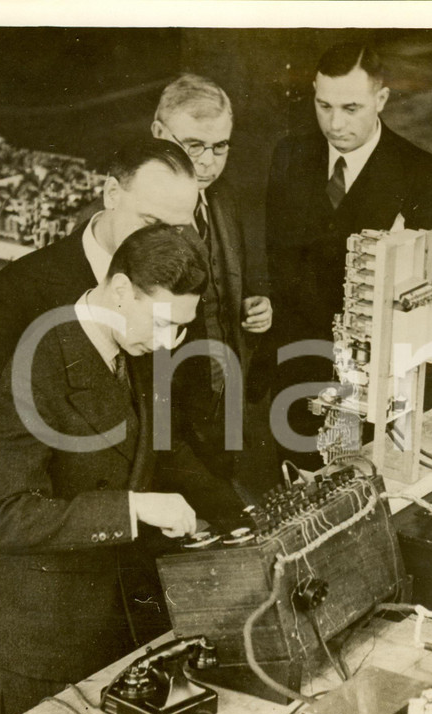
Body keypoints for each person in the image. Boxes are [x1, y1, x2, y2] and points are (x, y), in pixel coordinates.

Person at [0, 224, 245, 714]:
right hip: (50, 636)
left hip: (122, 614)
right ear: (121, 291)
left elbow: (167, 448)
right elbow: (8, 515)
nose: (172, 341)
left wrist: (247, 516)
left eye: (183, 329)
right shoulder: (38, 363)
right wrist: (134, 507)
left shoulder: (139, 341)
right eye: (166, 324)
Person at [0, 139, 201, 593]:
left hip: (126, 547)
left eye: (178, 228)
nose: (163, 242)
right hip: (51, 549)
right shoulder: (21, 289)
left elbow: (165, 421)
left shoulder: (176, 278)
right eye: (151, 222)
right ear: (111, 193)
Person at [266, 42, 432, 465]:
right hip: (297, 378)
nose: (335, 123)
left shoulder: (425, 177)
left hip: (376, 389)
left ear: (382, 99)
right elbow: (277, 266)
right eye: (324, 106)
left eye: (351, 108)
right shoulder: (289, 156)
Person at [150, 74, 275, 494]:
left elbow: (231, 278)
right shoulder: (140, 217)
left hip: (223, 393)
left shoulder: (223, 198)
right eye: (192, 146)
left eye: (220, 147)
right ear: (158, 133)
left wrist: (256, 307)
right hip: (167, 410)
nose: (207, 162)